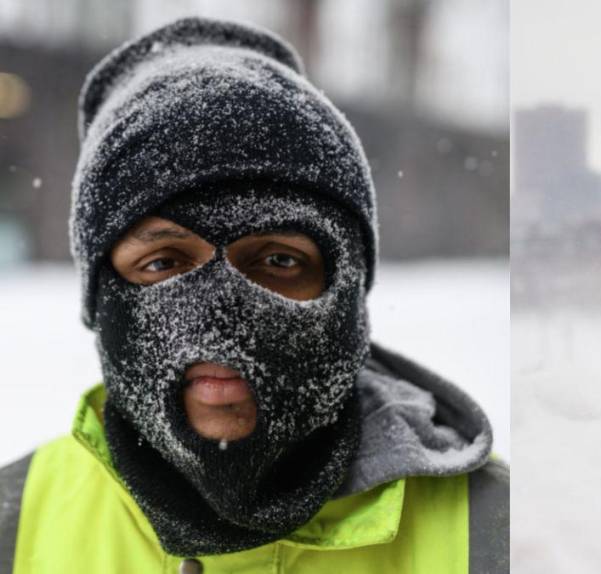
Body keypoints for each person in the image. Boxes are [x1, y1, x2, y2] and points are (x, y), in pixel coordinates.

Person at [0, 17, 508, 573]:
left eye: (278, 261)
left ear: (351, 290)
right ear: (100, 299)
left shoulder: (501, 534)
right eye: (164, 262)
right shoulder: (14, 527)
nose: (219, 314)